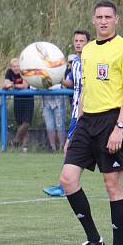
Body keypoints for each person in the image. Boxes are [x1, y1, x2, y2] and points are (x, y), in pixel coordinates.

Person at [59, 0, 123, 245]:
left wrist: (119, 127)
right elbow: (84, 91)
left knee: (112, 184)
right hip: (87, 121)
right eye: (99, 17)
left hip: (112, 120)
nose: (104, 21)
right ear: (93, 20)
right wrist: (74, 129)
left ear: (116, 19)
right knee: (67, 179)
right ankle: (94, 240)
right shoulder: (88, 51)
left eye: (108, 16)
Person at [43, 29, 90, 197]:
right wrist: (56, 79)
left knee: (69, 147)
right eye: (76, 40)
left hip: (85, 112)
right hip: (77, 111)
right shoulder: (75, 63)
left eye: (81, 41)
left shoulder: (90, 60)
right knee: (71, 148)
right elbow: (71, 83)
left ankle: (65, 186)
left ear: (88, 43)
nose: (78, 43)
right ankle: (67, 185)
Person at [3, 58, 34, 152]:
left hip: (28, 98)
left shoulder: (24, 71)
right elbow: (5, 84)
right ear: (11, 67)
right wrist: (9, 85)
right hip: (17, 99)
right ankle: (24, 147)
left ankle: (15, 141)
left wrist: (13, 85)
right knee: (20, 123)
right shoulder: (9, 72)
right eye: (13, 66)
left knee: (26, 123)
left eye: (17, 66)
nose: (16, 68)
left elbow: (24, 85)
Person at [41, 86, 66, 151]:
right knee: (49, 126)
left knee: (60, 125)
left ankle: (62, 147)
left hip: (58, 101)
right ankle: (53, 148)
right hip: (46, 101)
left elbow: (61, 84)